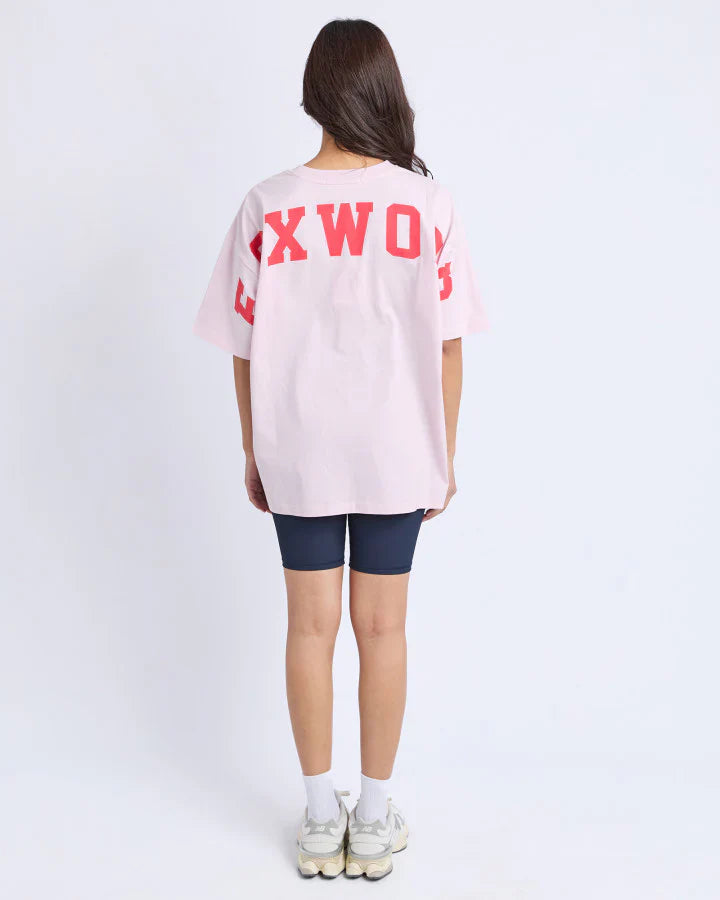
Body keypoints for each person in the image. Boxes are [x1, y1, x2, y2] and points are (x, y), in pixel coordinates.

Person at [193, 18, 487, 880]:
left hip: (299, 445)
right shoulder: (427, 205)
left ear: (313, 95)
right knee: (384, 626)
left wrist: (255, 448)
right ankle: (375, 814)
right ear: (385, 91)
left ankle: (321, 820)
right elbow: (449, 345)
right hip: (398, 444)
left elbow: (244, 345)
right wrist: (444, 453)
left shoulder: (268, 203)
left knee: (310, 626)